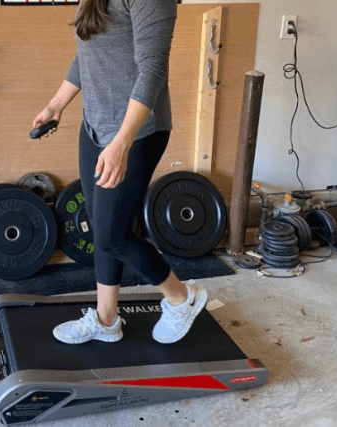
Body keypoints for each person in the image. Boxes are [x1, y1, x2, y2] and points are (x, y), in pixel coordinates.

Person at [32, 0, 207, 345]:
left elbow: (153, 70)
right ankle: (106, 319)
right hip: (95, 126)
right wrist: (56, 105)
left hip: (136, 132)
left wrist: (122, 143)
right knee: (101, 226)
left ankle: (180, 298)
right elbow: (89, 53)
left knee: (113, 235)